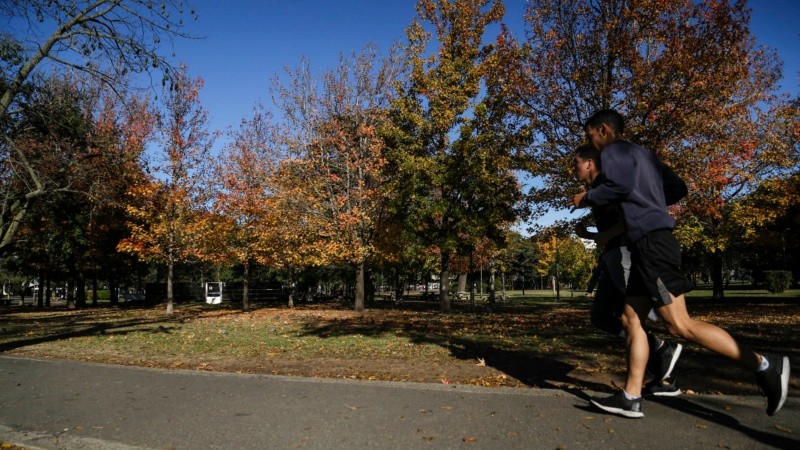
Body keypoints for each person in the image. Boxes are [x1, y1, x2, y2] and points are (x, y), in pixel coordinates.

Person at [571, 109, 790, 419]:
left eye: (590, 135)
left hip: (652, 245)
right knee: (630, 319)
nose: (589, 142)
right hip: (646, 242)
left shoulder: (616, 151)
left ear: (603, 130)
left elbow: (618, 189)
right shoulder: (643, 155)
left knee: (680, 324)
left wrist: (587, 198)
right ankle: (631, 397)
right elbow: (677, 187)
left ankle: (764, 366)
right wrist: (652, 202)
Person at [573, 144, 682, 397]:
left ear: (589, 162)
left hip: (627, 255)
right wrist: (589, 234)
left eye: (576, 162)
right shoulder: (597, 190)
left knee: (644, 319)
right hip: (612, 256)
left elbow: (628, 219)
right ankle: (663, 367)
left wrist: (602, 233)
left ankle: (658, 360)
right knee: (601, 316)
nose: (573, 168)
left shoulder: (610, 183)